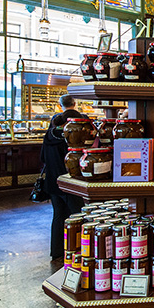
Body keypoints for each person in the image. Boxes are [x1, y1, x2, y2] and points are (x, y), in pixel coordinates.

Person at [41, 94, 85, 260]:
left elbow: (42, 158)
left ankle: (57, 251)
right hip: (69, 182)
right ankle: (78, 251)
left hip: (53, 182)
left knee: (59, 216)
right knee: (78, 215)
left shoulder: (49, 135)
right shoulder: (69, 140)